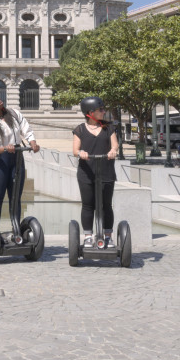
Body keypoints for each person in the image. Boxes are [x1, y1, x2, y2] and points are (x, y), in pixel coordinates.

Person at [0, 91, 40, 226]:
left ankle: (16, 229)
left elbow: (26, 129)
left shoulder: (13, 113)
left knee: (16, 197)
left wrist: (32, 142)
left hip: (16, 157)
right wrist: (4, 148)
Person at [72, 96, 118, 248]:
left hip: (106, 170)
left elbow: (115, 145)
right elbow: (75, 150)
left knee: (106, 205)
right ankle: (88, 237)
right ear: (90, 112)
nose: (104, 112)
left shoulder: (108, 128)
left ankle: (108, 236)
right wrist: (81, 153)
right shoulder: (80, 129)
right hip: (87, 172)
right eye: (101, 110)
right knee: (88, 205)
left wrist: (112, 151)